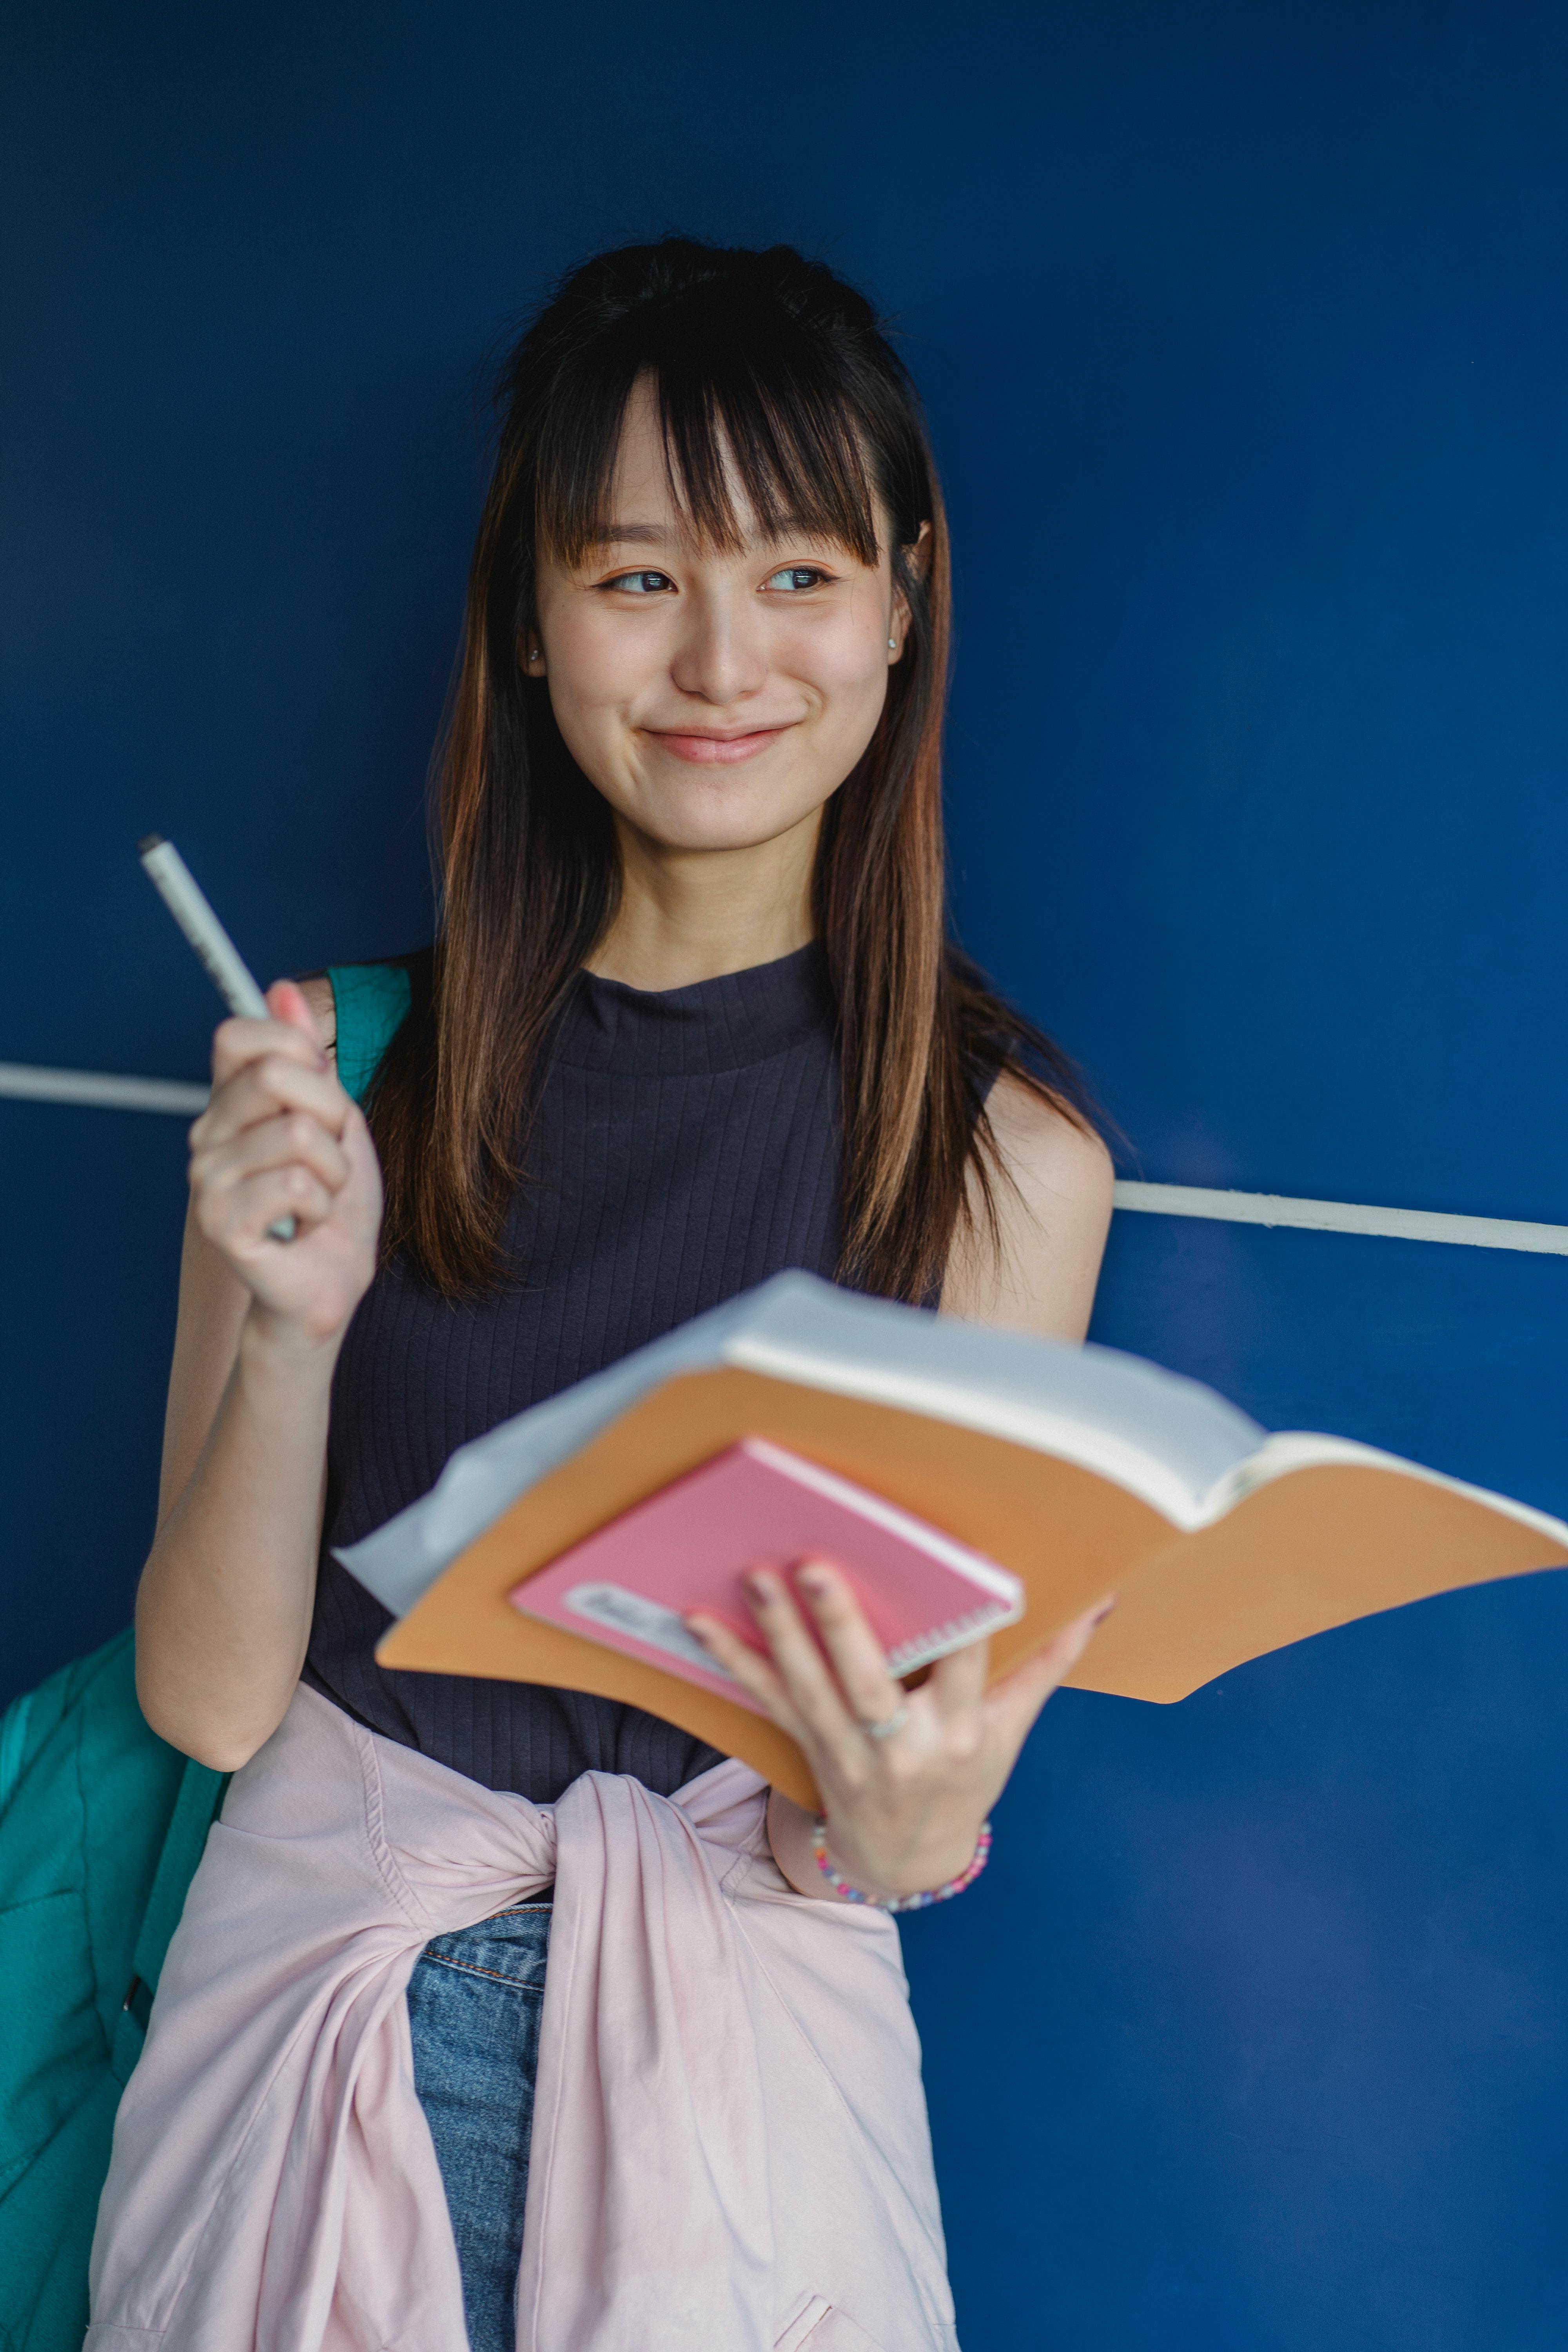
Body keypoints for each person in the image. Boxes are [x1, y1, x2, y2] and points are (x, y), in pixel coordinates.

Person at [93, 239, 1115, 2351]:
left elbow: (884, 1805)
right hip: (320, 2036)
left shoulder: (1007, 1162)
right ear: (536, 626)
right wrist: (293, 1321)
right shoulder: (333, 1068)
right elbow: (202, 1700)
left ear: (904, 599)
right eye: (639, 575)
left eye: (800, 574)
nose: (720, 658)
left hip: (739, 2093)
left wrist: (909, 1831)